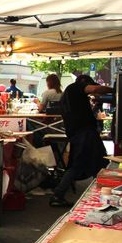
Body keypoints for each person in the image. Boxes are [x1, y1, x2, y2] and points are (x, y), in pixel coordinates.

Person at [49, 74, 112, 207]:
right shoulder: (76, 88)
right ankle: (58, 195)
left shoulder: (69, 94)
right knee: (82, 164)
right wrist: (114, 89)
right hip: (85, 133)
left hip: (78, 133)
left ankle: (102, 194)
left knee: (97, 162)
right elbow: (95, 89)